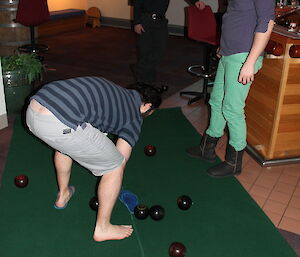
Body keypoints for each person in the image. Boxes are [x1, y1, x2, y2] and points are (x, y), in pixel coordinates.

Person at [25, 77, 162, 242]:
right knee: (115, 165)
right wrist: (114, 179)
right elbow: (121, 159)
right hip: (58, 122)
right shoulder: (134, 117)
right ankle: (103, 228)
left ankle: (63, 194)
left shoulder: (113, 90)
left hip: (34, 110)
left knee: (66, 143)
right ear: (147, 106)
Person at [186, 0, 275, 177]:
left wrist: (250, 62)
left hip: (243, 55)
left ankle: (234, 162)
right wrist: (224, 46)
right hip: (230, 52)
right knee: (217, 101)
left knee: (232, 108)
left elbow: (267, 22)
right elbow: (237, 16)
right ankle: (207, 148)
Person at [132, 0, 205, 85]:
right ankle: (144, 80)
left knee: (161, 49)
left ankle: (140, 69)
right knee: (145, 49)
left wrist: (196, 1)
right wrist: (137, 22)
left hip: (161, 20)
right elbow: (137, 2)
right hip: (145, 19)